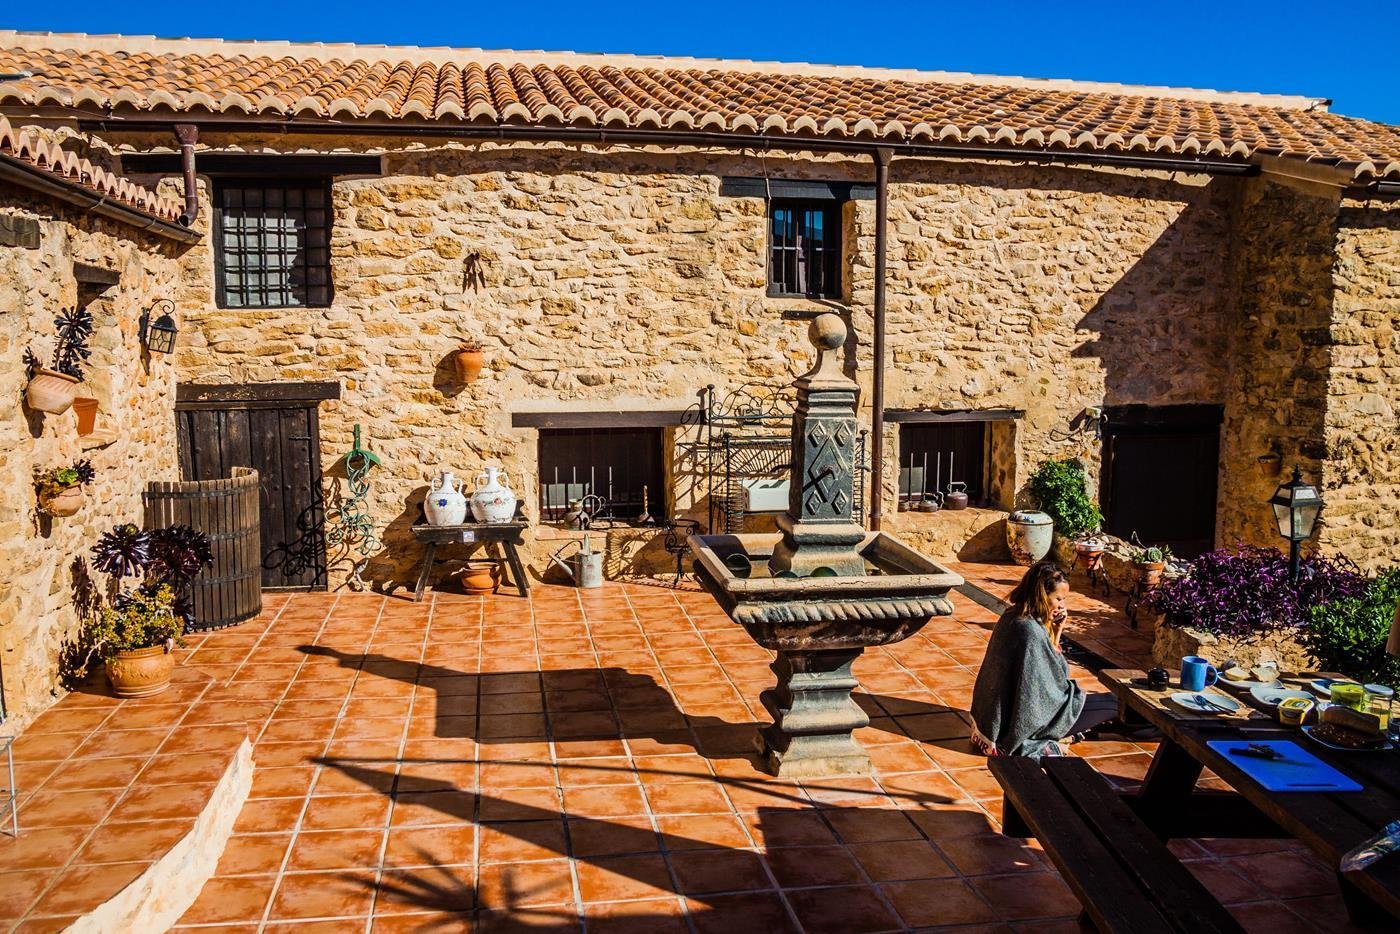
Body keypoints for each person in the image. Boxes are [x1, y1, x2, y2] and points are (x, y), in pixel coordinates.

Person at [970, 560, 1117, 759]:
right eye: (1058, 598)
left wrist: (1055, 630)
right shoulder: (1030, 630)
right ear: (1041, 594)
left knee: (1121, 716)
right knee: (1116, 704)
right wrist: (1056, 633)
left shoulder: (1013, 615)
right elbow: (1058, 679)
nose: (1062, 605)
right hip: (1035, 721)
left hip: (993, 722)